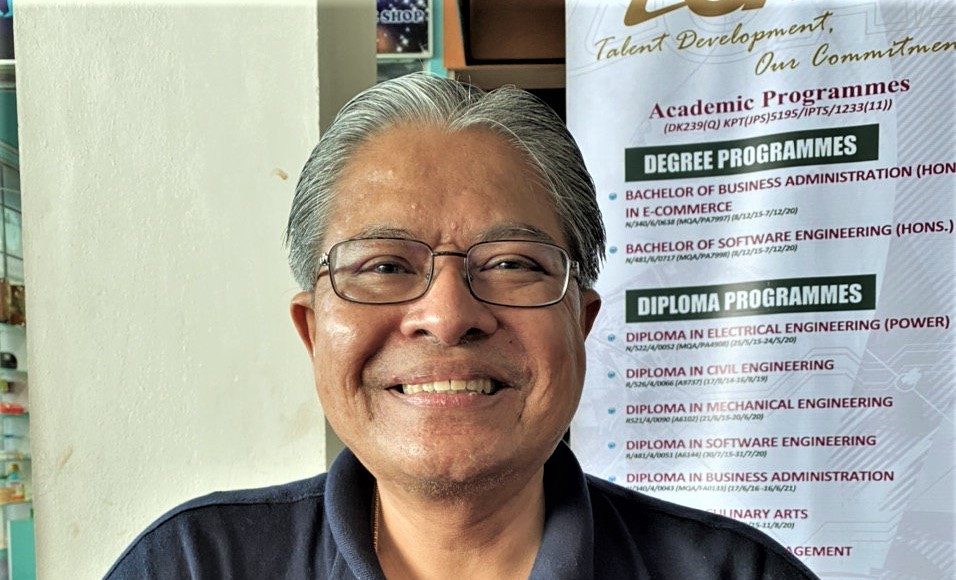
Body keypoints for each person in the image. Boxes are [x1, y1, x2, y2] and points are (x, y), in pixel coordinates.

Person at [107, 73, 818, 579]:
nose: (448, 317)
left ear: (581, 323)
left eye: (510, 263)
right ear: (312, 329)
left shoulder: (736, 573)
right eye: (385, 266)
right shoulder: (192, 564)